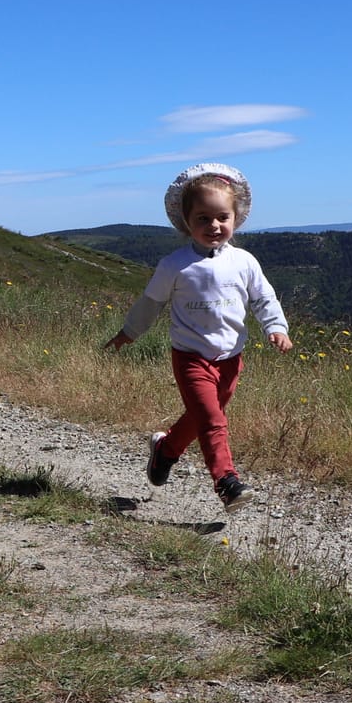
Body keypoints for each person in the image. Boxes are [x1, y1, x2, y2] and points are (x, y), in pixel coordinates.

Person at [104, 163, 292, 509]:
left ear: (236, 218)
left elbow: (263, 297)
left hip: (231, 359)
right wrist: (128, 333)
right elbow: (151, 303)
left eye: (222, 217)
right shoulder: (174, 265)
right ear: (186, 221)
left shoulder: (244, 261)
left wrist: (276, 327)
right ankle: (226, 482)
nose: (214, 226)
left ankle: (166, 449)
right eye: (203, 218)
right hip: (190, 356)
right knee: (212, 419)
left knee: (200, 416)